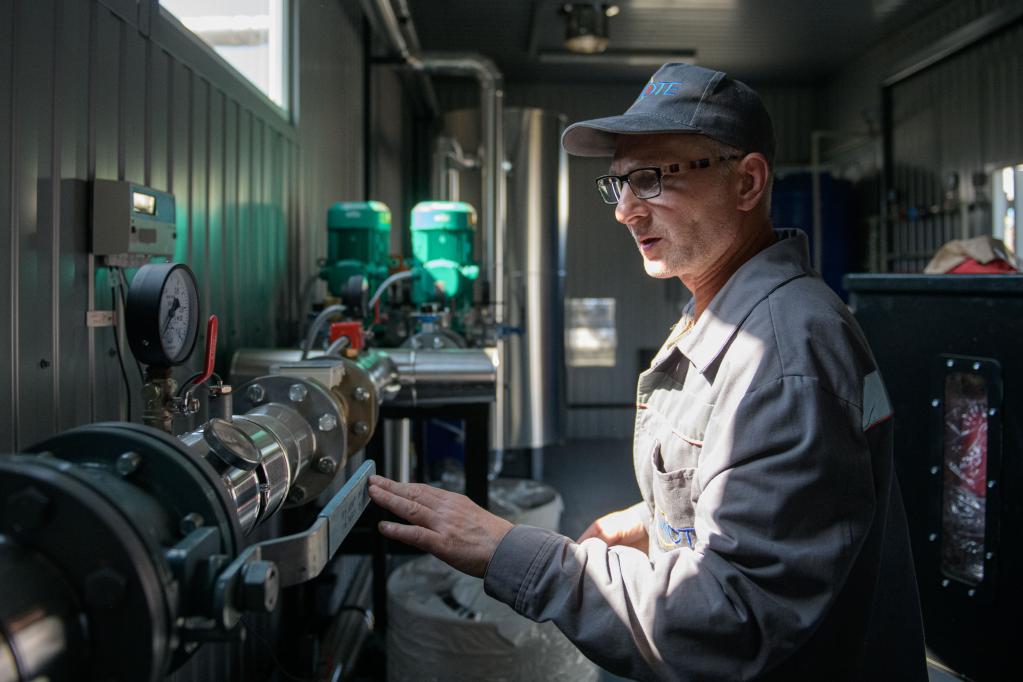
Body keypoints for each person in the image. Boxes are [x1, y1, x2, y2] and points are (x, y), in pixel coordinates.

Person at [368, 63, 927, 681]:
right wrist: (654, 522)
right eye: (619, 186)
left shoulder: (785, 355)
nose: (625, 211)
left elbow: (731, 622)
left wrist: (512, 552)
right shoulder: (725, 315)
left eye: (652, 179)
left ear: (747, 182)